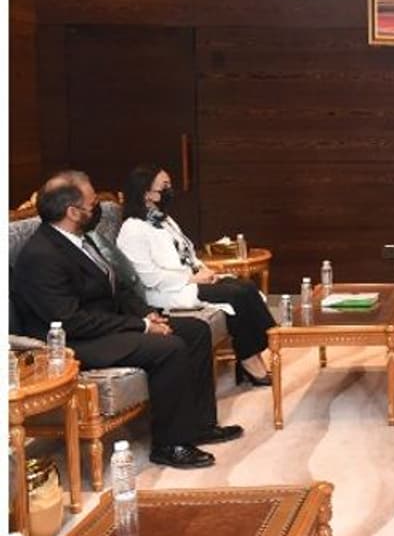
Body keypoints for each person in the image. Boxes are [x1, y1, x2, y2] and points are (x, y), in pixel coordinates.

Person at [12, 171, 243, 469]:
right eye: (92, 204)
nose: (97, 209)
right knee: (169, 348)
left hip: (105, 326)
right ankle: (170, 444)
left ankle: (199, 425)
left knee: (195, 330)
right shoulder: (42, 255)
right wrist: (142, 327)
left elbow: (117, 288)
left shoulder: (80, 240)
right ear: (72, 212)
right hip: (72, 343)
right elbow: (71, 321)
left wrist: (146, 314)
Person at [116, 165, 276, 387]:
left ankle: (263, 345)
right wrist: (192, 279)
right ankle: (248, 359)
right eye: (164, 186)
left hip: (190, 280)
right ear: (147, 194)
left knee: (246, 287)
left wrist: (204, 271)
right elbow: (149, 278)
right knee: (236, 295)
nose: (170, 191)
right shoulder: (133, 230)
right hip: (166, 292)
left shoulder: (164, 220)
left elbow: (187, 253)